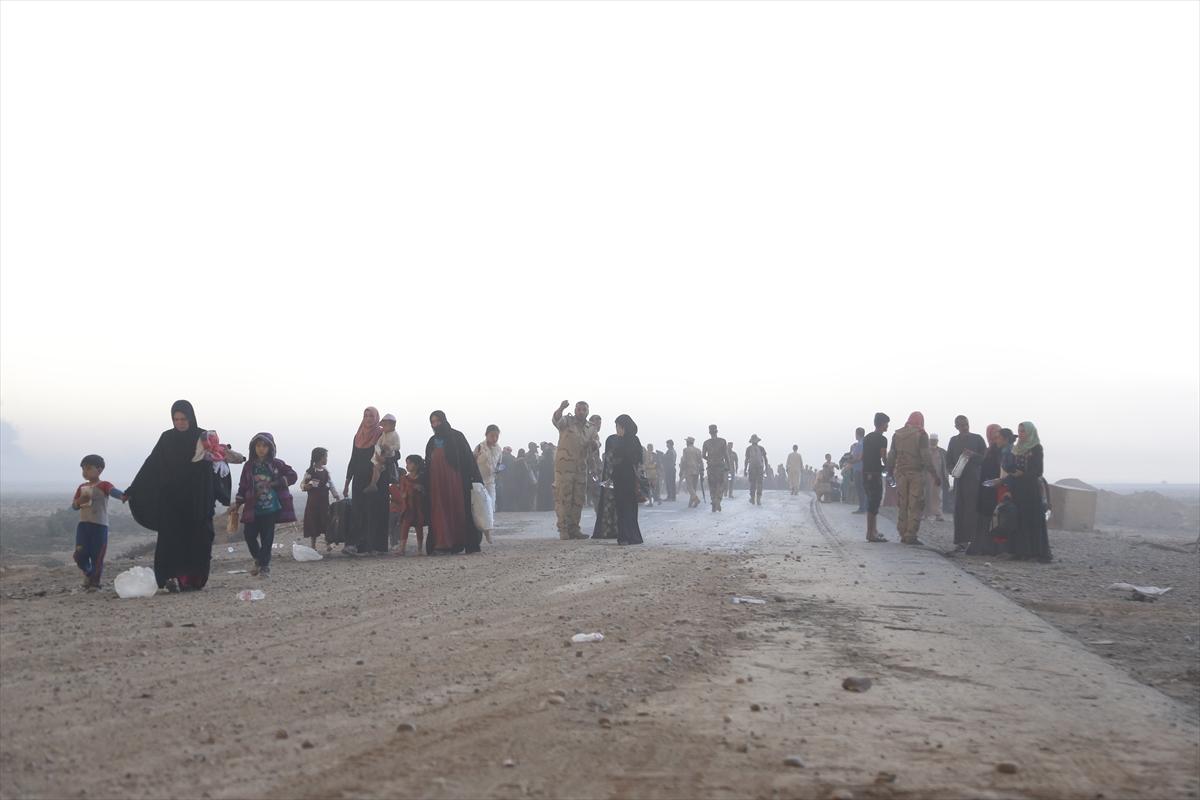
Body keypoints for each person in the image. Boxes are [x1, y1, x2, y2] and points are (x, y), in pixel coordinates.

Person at [127, 400, 223, 592]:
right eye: (176, 419)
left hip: (197, 501)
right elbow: (152, 464)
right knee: (172, 541)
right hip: (172, 501)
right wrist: (133, 489)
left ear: (191, 418)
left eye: (183, 419)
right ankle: (171, 578)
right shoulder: (167, 438)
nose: (180, 423)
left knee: (199, 540)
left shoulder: (202, 437)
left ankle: (193, 580)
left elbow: (217, 461)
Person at [236, 432, 297, 577]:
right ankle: (258, 559)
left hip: (271, 508)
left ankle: (264, 566)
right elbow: (243, 486)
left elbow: (292, 475)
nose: (261, 449)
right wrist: (238, 503)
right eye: (258, 446)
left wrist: (276, 483)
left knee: (267, 538)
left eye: (264, 446)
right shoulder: (249, 466)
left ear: (270, 448)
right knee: (249, 535)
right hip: (253, 508)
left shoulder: (276, 464)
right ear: (253, 447)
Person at [423, 411, 485, 554]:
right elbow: (428, 462)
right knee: (439, 512)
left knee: (458, 510)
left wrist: (475, 479)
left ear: (444, 420)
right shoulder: (432, 441)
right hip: (437, 485)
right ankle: (442, 544)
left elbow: (468, 459)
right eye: (433, 422)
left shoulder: (457, 437)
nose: (436, 424)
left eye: (438, 421)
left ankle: (459, 542)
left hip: (456, 482)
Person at [71, 454, 127, 591]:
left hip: (99, 526)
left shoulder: (104, 485)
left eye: (89, 468)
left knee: (97, 556)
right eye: (83, 469)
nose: (85, 472)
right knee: (79, 554)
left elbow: (113, 492)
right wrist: (79, 502)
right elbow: (74, 505)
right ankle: (88, 573)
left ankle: (94, 583)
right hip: (83, 525)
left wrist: (123, 496)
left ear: (100, 469)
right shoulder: (82, 487)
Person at [886, 412, 940, 545]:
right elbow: (926, 456)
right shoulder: (921, 434)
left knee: (902, 503)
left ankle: (902, 532)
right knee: (915, 504)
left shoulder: (897, 434)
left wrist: (890, 472)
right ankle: (911, 535)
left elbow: (892, 455)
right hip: (915, 473)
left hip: (900, 473)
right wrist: (934, 474)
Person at [342, 407, 390, 556]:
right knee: (357, 511)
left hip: (377, 480)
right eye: (366, 415)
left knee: (374, 511)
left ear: (376, 418)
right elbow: (353, 460)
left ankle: (375, 546)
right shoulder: (357, 436)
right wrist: (347, 482)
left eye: (371, 416)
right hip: (359, 480)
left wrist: (385, 458)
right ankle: (354, 545)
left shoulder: (382, 434)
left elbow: (395, 453)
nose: (368, 418)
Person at [1005, 421, 1052, 562]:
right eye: (1019, 431)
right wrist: (1011, 470)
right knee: (1019, 519)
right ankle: (1020, 551)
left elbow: (1038, 470)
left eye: (1023, 431)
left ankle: (1036, 552)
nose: (1021, 434)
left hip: (1030, 489)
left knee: (1032, 519)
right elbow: (1010, 464)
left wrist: (1023, 475)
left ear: (1030, 432)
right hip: (1017, 488)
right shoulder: (1017, 448)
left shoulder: (1036, 448)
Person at [551, 400, 595, 539]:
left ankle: (574, 528)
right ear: (575, 410)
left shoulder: (591, 427)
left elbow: (596, 441)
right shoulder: (567, 422)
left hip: (581, 467)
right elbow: (556, 419)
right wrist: (561, 408)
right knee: (564, 497)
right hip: (564, 467)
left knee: (578, 499)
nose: (581, 412)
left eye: (584, 409)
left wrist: (595, 444)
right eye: (579, 409)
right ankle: (563, 529)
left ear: (588, 411)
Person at [945, 415, 988, 548]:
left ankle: (972, 541)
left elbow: (985, 459)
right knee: (959, 510)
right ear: (956, 426)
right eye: (961, 425)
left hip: (974, 480)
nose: (964, 427)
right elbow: (949, 461)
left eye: (966, 425)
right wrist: (952, 470)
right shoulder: (953, 441)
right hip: (959, 481)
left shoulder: (977, 439)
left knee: (971, 510)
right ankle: (960, 541)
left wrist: (973, 455)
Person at [966, 424, 1006, 556]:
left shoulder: (1002, 450)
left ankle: (991, 547)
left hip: (996, 488)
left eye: (998, 434)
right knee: (984, 519)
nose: (995, 436)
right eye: (994, 433)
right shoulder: (989, 450)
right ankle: (982, 546)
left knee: (992, 519)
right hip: (986, 489)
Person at [608, 414, 644, 545]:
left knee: (623, 508)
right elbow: (639, 459)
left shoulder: (623, 442)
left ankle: (624, 536)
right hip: (629, 479)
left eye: (618, 427)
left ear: (623, 427)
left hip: (623, 479)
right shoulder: (635, 440)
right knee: (630, 508)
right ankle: (633, 536)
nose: (617, 430)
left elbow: (618, 460)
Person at [301, 447, 340, 552]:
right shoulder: (310, 471)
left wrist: (335, 495)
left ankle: (328, 543)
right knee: (313, 522)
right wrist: (306, 487)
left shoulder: (326, 472)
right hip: (313, 502)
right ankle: (313, 546)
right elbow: (303, 484)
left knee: (326, 521)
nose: (326, 459)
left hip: (324, 501)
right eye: (325, 457)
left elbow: (330, 483)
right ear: (320, 458)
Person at [389, 455, 427, 555]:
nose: (407, 466)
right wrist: (404, 493)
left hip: (418, 506)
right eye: (407, 463)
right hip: (407, 506)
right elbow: (402, 490)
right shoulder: (404, 478)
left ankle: (419, 549)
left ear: (417, 465)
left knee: (419, 528)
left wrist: (421, 489)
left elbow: (426, 491)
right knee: (404, 527)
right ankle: (402, 549)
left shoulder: (422, 478)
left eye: (409, 463)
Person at [862, 413, 889, 542]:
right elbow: (883, 457)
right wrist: (889, 467)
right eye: (886, 424)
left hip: (865, 473)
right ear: (883, 424)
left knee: (871, 502)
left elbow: (863, 455)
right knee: (874, 503)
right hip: (875, 474)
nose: (887, 426)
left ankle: (873, 530)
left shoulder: (867, 437)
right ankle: (870, 533)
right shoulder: (882, 439)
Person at [473, 424, 502, 544]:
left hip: (491, 482)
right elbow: (472, 462)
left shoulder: (499, 449)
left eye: (496, 436)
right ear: (486, 435)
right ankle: (483, 532)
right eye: (492, 436)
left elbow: (499, 463)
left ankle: (488, 531)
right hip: (479, 482)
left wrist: (499, 470)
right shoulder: (479, 447)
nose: (494, 438)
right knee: (481, 508)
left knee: (490, 506)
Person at [591, 432, 618, 540]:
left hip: (608, 487)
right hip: (611, 486)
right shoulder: (613, 455)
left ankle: (607, 531)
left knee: (606, 510)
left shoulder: (608, 455)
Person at [365, 413, 401, 493]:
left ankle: (373, 484)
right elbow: (378, 443)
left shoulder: (394, 435)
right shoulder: (383, 434)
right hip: (377, 458)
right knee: (376, 467)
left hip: (387, 458)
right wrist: (377, 451)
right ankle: (373, 484)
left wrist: (386, 455)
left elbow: (397, 452)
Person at [702, 425, 730, 512]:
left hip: (710, 467)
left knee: (712, 486)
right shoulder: (722, 441)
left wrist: (709, 459)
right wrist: (728, 465)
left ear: (710, 432)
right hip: (720, 466)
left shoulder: (706, 443)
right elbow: (726, 455)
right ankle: (717, 500)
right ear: (716, 431)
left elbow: (703, 455)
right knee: (721, 484)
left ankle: (714, 502)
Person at [925, 434, 948, 522]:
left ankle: (938, 514)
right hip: (927, 476)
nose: (933, 442)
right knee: (926, 495)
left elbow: (945, 464)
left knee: (937, 496)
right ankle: (926, 514)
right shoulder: (925, 451)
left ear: (937, 441)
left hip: (938, 477)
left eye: (935, 440)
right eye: (932, 440)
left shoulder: (942, 452)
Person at [679, 436, 704, 508]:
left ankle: (696, 499)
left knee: (689, 487)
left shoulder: (685, 450)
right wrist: (702, 470)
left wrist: (681, 471)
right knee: (694, 487)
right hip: (696, 470)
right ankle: (690, 503)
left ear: (688, 442)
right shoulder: (698, 450)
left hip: (688, 470)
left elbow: (683, 461)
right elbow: (701, 461)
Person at [744, 435, 768, 505]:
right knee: (760, 483)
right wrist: (766, 468)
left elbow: (746, 460)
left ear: (751, 441)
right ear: (757, 441)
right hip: (760, 468)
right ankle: (758, 498)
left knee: (752, 483)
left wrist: (745, 469)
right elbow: (765, 459)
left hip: (752, 468)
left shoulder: (748, 448)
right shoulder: (761, 448)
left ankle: (752, 498)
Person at [849, 428, 866, 512]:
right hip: (859, 468)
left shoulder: (861, 444)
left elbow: (859, 457)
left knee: (860, 489)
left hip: (859, 469)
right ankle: (863, 507)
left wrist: (851, 461)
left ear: (857, 434)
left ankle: (862, 507)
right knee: (861, 489)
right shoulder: (860, 443)